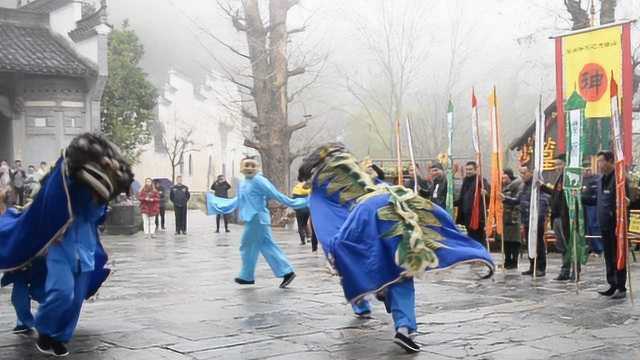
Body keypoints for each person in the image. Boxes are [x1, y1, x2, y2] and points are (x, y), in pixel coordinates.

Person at [297, 143, 494, 354]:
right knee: (403, 269)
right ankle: (404, 327)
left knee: (373, 264)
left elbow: (329, 222)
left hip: (366, 213)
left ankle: (380, 296)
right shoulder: (355, 169)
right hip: (395, 199)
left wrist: (335, 250)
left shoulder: (322, 185)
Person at [206, 157, 307, 288]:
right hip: (252, 219)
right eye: (246, 165)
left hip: (257, 218)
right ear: (241, 167)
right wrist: (218, 204)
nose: (249, 168)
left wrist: (297, 202)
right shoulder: (243, 183)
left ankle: (247, 276)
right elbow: (238, 200)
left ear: (257, 167)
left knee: (247, 246)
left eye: (252, 165)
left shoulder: (259, 180)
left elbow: (276, 194)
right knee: (267, 245)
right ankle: (286, 272)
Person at [591, 151, 627, 299]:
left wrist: (627, 201)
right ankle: (612, 283)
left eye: (601, 161)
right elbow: (595, 199)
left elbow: (630, 198)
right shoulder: (601, 179)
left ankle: (621, 286)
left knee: (618, 255)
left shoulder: (620, 179)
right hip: (604, 223)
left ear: (610, 161)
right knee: (608, 255)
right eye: (598, 161)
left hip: (617, 223)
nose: (599, 164)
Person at [504, 166, 550, 277]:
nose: (522, 176)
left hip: (536, 219)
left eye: (524, 173)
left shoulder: (538, 185)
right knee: (530, 243)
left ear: (531, 173)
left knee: (538, 243)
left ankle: (540, 267)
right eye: (521, 173)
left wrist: (538, 216)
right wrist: (505, 199)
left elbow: (544, 201)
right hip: (526, 218)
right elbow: (518, 200)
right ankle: (532, 266)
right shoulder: (524, 186)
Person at [541, 155, 578, 281]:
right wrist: (543, 187)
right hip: (556, 217)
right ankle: (565, 270)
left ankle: (575, 270)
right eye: (555, 165)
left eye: (559, 164)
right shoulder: (559, 179)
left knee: (570, 245)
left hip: (567, 218)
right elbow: (555, 195)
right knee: (562, 246)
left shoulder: (570, 178)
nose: (557, 168)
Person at [454, 161, 490, 246]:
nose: (468, 171)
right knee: (470, 238)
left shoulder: (481, 180)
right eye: (467, 169)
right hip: (466, 216)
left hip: (477, 217)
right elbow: (462, 198)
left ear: (475, 170)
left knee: (478, 239)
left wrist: (486, 194)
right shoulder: (465, 181)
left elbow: (489, 194)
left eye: (470, 169)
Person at [500, 169, 521, 269]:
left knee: (514, 241)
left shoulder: (517, 186)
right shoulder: (502, 186)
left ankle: (514, 261)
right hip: (504, 217)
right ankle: (507, 260)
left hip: (513, 217)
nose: (503, 180)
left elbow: (518, 200)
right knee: (506, 240)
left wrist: (505, 199)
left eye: (505, 177)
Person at [581, 164, 602, 255]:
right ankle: (589, 247)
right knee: (586, 227)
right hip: (583, 205)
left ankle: (598, 248)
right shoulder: (581, 180)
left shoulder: (597, 179)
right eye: (585, 169)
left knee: (594, 226)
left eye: (589, 169)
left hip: (593, 205)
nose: (587, 171)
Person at [292, 179, 312, 245]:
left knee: (300, 225)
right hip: (307, 210)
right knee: (305, 223)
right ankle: (309, 237)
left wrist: (295, 209)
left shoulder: (296, 192)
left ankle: (303, 240)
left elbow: (293, 202)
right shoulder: (307, 192)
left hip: (299, 210)